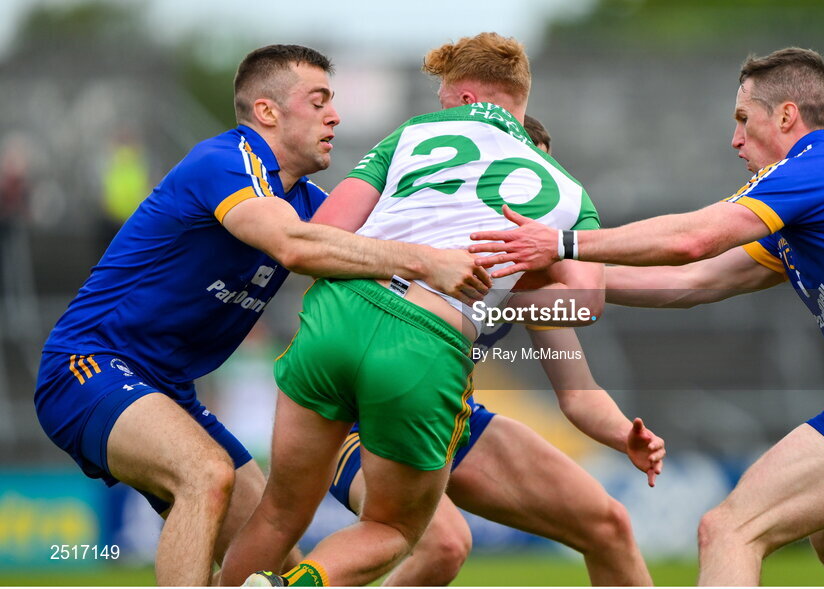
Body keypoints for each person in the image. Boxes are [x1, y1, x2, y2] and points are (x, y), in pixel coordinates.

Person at [469, 47, 824, 586]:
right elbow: (693, 282)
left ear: (786, 116)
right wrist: (566, 273)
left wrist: (561, 243)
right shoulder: (821, 199)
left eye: (743, 120)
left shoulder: (815, 169)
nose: (735, 140)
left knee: (728, 529)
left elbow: (694, 242)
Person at [34, 44, 489, 586]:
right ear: (268, 112)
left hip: (169, 390)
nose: (334, 116)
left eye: (333, 103)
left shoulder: (310, 203)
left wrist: (554, 250)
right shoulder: (224, 160)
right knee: (205, 473)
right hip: (87, 367)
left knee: (280, 566)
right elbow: (293, 245)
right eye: (318, 101)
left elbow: (377, 255)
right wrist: (424, 260)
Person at [221, 33, 622, 587]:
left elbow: (320, 239)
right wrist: (544, 260)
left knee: (283, 513)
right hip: (421, 350)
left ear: (463, 100)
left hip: (339, 314)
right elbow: (586, 304)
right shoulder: (566, 197)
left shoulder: (415, 135)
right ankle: (296, 586)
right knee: (398, 532)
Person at [324, 116, 663, 586]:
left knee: (609, 525)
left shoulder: (525, 275)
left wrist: (626, 434)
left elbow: (579, 392)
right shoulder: (418, 233)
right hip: (358, 419)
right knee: (443, 545)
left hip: (447, 416)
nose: (545, 207)